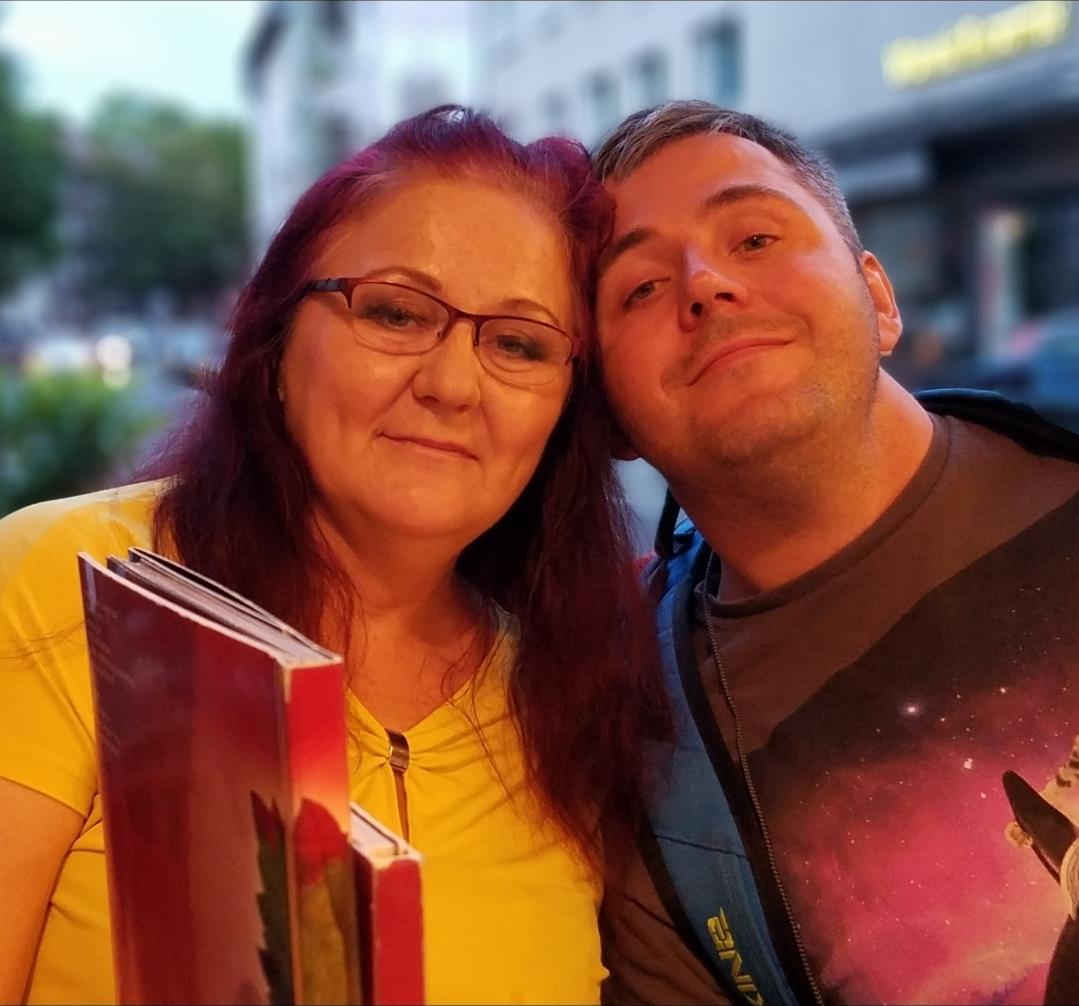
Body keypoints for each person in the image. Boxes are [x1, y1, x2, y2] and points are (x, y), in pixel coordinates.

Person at [0, 106, 668, 1006]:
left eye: (518, 343)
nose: (449, 383)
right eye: (393, 312)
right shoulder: (71, 582)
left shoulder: (570, 700)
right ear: (276, 343)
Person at [592, 100, 1079, 1006]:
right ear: (609, 419)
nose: (703, 284)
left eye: (754, 239)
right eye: (640, 289)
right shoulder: (649, 784)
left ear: (881, 300)